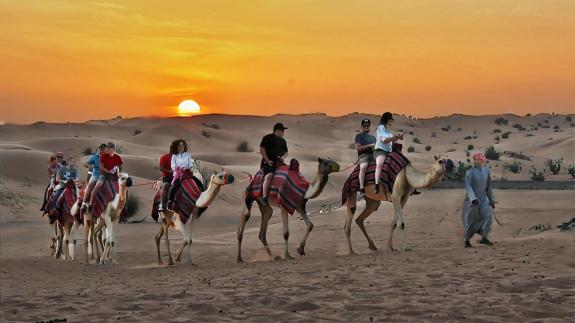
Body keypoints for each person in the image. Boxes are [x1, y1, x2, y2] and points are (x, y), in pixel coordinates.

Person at [462, 152, 496, 248]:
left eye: (482, 160)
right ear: (475, 161)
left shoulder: (486, 171)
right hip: (471, 202)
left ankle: (484, 238)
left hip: (484, 199)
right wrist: (473, 199)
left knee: (488, 217)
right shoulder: (470, 172)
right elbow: (468, 187)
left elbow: (488, 187)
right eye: (479, 160)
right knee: (470, 220)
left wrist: (491, 200)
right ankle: (466, 240)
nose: (481, 161)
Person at [87, 142, 123, 211]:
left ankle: (122, 208)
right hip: (104, 175)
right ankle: (91, 204)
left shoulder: (117, 157)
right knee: (96, 187)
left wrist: (119, 172)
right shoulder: (104, 156)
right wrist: (108, 171)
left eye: (108, 147)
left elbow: (120, 166)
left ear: (112, 149)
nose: (106, 149)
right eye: (107, 148)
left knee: (123, 188)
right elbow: (101, 167)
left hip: (114, 176)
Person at [374, 113, 404, 194]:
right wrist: (393, 138)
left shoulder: (387, 130)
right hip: (381, 150)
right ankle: (376, 185)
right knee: (380, 164)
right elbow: (384, 140)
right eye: (391, 119)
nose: (392, 121)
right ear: (387, 119)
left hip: (389, 150)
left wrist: (398, 137)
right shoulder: (380, 128)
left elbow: (391, 140)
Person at [259, 123, 288, 205]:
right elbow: (262, 149)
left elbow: (286, 152)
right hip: (267, 162)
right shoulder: (267, 138)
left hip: (278, 162)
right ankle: (264, 197)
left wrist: (283, 157)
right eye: (282, 131)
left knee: (289, 173)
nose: (283, 133)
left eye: (283, 131)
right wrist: (267, 160)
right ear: (277, 131)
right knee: (269, 176)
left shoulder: (283, 141)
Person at [166, 139, 195, 210]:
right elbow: (172, 165)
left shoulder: (187, 155)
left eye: (182, 145)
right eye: (180, 145)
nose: (181, 147)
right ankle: (170, 201)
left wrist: (188, 168)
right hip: (178, 174)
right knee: (175, 186)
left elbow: (191, 164)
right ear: (177, 147)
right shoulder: (174, 156)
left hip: (187, 173)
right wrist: (177, 168)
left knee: (198, 182)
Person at [355, 119, 376, 195]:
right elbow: (358, 148)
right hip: (364, 156)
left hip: (374, 155)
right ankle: (361, 188)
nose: (366, 127)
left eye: (367, 125)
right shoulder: (359, 136)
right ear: (362, 127)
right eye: (364, 125)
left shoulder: (373, 137)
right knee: (363, 167)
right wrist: (370, 145)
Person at [82, 143, 107, 208]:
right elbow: (85, 164)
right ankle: (84, 203)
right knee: (90, 186)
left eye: (104, 149)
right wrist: (90, 166)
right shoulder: (95, 157)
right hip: (95, 174)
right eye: (101, 149)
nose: (102, 150)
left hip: (105, 175)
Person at [157, 142, 176, 211]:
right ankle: (162, 204)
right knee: (165, 185)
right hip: (168, 177)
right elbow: (161, 168)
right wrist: (170, 171)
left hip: (178, 177)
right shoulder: (164, 158)